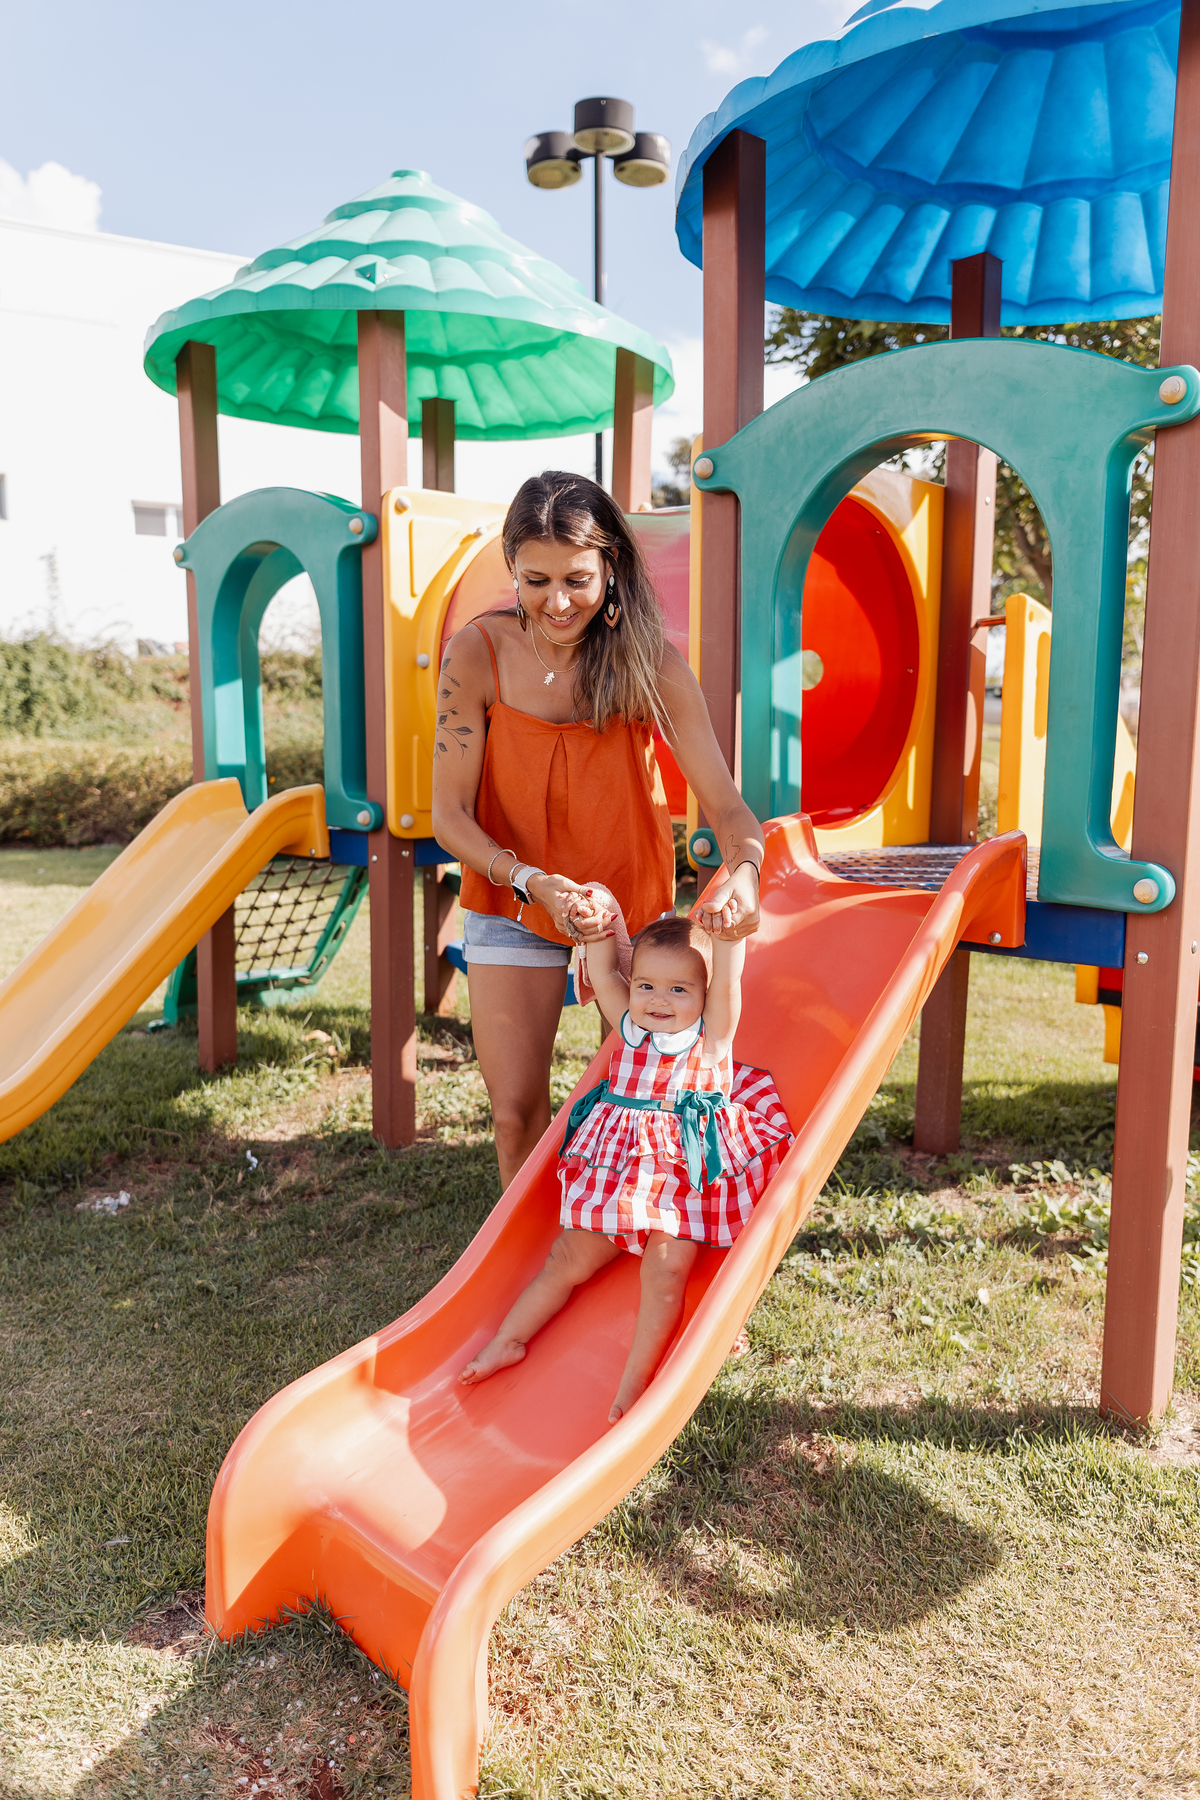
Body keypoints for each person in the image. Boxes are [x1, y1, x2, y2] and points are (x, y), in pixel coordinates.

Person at [430, 470, 767, 1190]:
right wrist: (532, 882)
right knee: (516, 1114)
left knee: (642, 1097)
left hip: (631, 916)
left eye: (578, 580)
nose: (558, 602)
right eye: (536, 579)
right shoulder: (475, 653)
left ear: (611, 565)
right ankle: (521, 1258)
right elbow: (449, 817)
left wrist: (744, 872)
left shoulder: (649, 662)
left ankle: (627, 1227)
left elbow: (731, 810)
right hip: (517, 901)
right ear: (511, 567)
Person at [459, 889, 792, 1421]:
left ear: (704, 996)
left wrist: (729, 942)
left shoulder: (711, 1042)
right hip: (623, 1178)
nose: (659, 999)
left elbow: (728, 983)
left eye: (679, 989)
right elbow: (606, 974)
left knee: (665, 1272)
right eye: (647, 986)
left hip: (684, 1176)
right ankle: (509, 1340)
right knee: (568, 1257)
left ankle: (635, 1384)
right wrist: (594, 936)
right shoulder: (631, 1032)